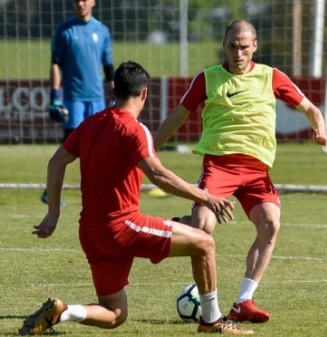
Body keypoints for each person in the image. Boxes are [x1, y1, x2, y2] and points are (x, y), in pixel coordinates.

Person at [18, 61, 253, 335]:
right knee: (204, 243)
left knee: (115, 313)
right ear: (144, 94)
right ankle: (212, 321)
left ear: (114, 89)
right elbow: (159, 176)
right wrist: (207, 197)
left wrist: (53, 213)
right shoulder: (135, 129)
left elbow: (56, 162)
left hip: (91, 233)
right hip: (123, 227)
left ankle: (63, 312)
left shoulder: (90, 124)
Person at [153, 20, 327, 324]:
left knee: (270, 225)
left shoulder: (271, 76)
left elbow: (311, 109)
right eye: (231, 46)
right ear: (223, 46)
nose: (238, 53)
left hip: (257, 171)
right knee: (202, 228)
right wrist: (149, 151)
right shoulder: (207, 78)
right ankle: (170, 231)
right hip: (219, 165)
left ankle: (243, 301)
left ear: (254, 46)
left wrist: (320, 131)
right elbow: (177, 116)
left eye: (243, 47)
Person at [41, 0, 114, 206]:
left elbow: (108, 66)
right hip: (73, 99)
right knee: (70, 146)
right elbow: (56, 64)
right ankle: (50, 191)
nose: (80, 4)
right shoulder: (64, 30)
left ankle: (97, 192)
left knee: (99, 147)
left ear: (93, 2)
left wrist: (115, 95)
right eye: (76, 0)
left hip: (97, 99)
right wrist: (55, 97)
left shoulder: (102, 30)